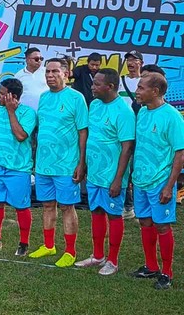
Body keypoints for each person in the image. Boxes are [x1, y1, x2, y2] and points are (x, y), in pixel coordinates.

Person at [29, 58, 88, 268]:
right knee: (47, 205)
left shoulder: (76, 98)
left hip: (66, 166)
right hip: (44, 165)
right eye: (47, 72)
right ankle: (48, 245)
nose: (50, 75)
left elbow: (83, 132)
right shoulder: (43, 98)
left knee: (66, 207)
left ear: (66, 73)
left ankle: (70, 251)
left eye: (55, 71)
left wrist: (81, 163)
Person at [75, 69, 134, 276]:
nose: (92, 86)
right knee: (96, 212)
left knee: (114, 215)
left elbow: (127, 148)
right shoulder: (95, 105)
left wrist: (118, 179)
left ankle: (113, 261)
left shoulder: (124, 111)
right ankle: (98, 255)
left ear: (110, 87)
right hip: (94, 174)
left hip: (112, 176)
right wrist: (83, 166)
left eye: (97, 84)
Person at [131, 66, 184, 290]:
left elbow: (180, 153)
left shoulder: (172, 117)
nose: (136, 91)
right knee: (144, 222)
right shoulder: (142, 112)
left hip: (160, 182)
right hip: (140, 180)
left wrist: (169, 186)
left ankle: (167, 273)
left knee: (162, 226)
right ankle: (151, 266)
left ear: (155, 91)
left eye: (141, 88)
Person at [0, 78, 36, 255]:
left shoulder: (28, 113)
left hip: (18, 169)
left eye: (3, 94)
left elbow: (21, 136)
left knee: (21, 206)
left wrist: (11, 112)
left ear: (14, 97)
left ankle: (24, 244)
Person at [119, 50, 144, 220]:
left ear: (141, 62)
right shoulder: (120, 81)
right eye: (128, 59)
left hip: (143, 130)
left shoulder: (146, 82)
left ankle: (141, 207)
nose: (131, 62)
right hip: (124, 130)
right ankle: (127, 207)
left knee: (139, 168)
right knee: (124, 167)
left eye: (134, 59)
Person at [14, 47, 48, 112]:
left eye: (41, 59)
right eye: (36, 59)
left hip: (45, 111)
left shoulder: (47, 72)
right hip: (25, 113)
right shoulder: (18, 75)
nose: (39, 61)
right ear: (27, 60)